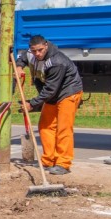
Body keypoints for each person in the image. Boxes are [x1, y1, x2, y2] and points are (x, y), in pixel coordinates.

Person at [15, 34, 84, 175]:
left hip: (68, 92)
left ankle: (63, 163)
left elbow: (50, 90)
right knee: (45, 125)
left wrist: (32, 104)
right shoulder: (30, 54)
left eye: (40, 50)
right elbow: (22, 57)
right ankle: (49, 160)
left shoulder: (57, 61)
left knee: (63, 128)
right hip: (52, 94)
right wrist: (19, 66)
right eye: (34, 51)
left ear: (46, 45)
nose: (37, 54)